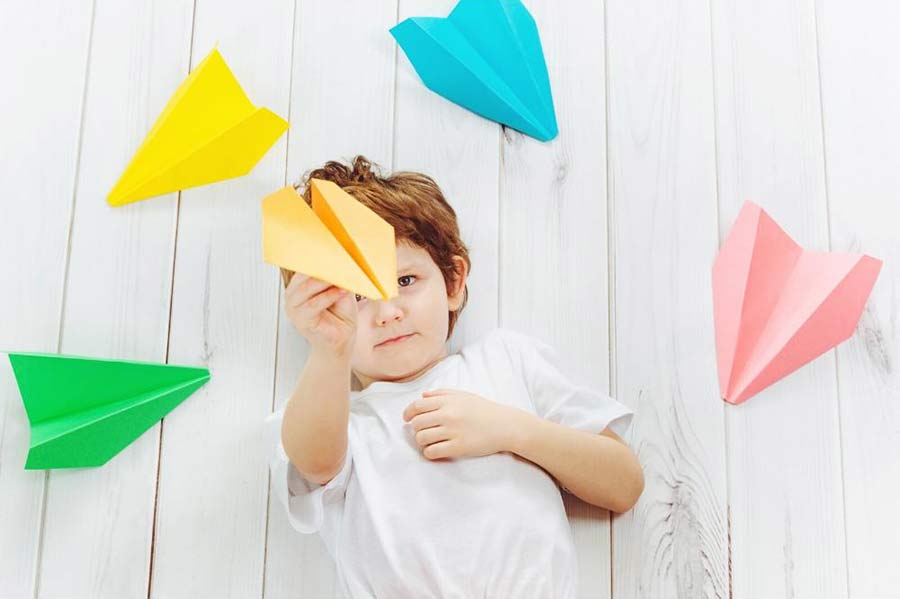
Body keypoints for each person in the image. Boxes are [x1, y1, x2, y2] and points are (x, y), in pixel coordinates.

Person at [265, 155, 644, 598]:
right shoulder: (334, 417)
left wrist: (510, 430)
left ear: (453, 281)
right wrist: (329, 350)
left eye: (406, 280)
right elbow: (316, 462)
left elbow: (624, 483)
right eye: (355, 296)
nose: (389, 313)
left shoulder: (507, 361)